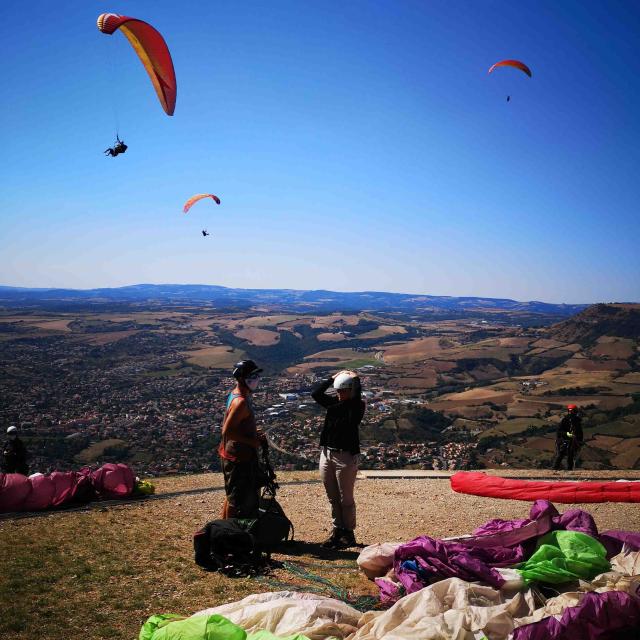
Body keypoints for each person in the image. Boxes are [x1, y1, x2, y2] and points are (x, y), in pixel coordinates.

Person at [311, 370, 365, 549]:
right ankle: (337, 531)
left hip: (346, 457)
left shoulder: (357, 407)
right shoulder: (333, 403)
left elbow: (355, 404)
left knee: (346, 499)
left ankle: (348, 534)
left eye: (343, 390)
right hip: (327, 454)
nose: (339, 394)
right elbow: (316, 394)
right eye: (338, 390)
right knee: (333, 497)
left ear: (351, 390)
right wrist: (331, 379)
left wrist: (356, 380)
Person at [218, 360, 266, 519]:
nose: (257, 378)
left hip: (232, 454)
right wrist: (252, 442)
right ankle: (229, 534)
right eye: (253, 375)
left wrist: (251, 432)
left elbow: (235, 426)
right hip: (238, 458)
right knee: (236, 500)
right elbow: (227, 431)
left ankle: (224, 528)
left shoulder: (236, 394)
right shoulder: (241, 402)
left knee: (232, 495)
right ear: (242, 379)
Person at [553, 404, 583, 470]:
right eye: (570, 411)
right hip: (564, 440)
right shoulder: (565, 420)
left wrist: (580, 441)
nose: (571, 412)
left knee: (570, 456)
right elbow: (559, 431)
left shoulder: (577, 421)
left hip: (573, 441)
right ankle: (555, 469)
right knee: (561, 455)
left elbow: (580, 432)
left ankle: (569, 470)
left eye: (572, 411)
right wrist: (567, 434)